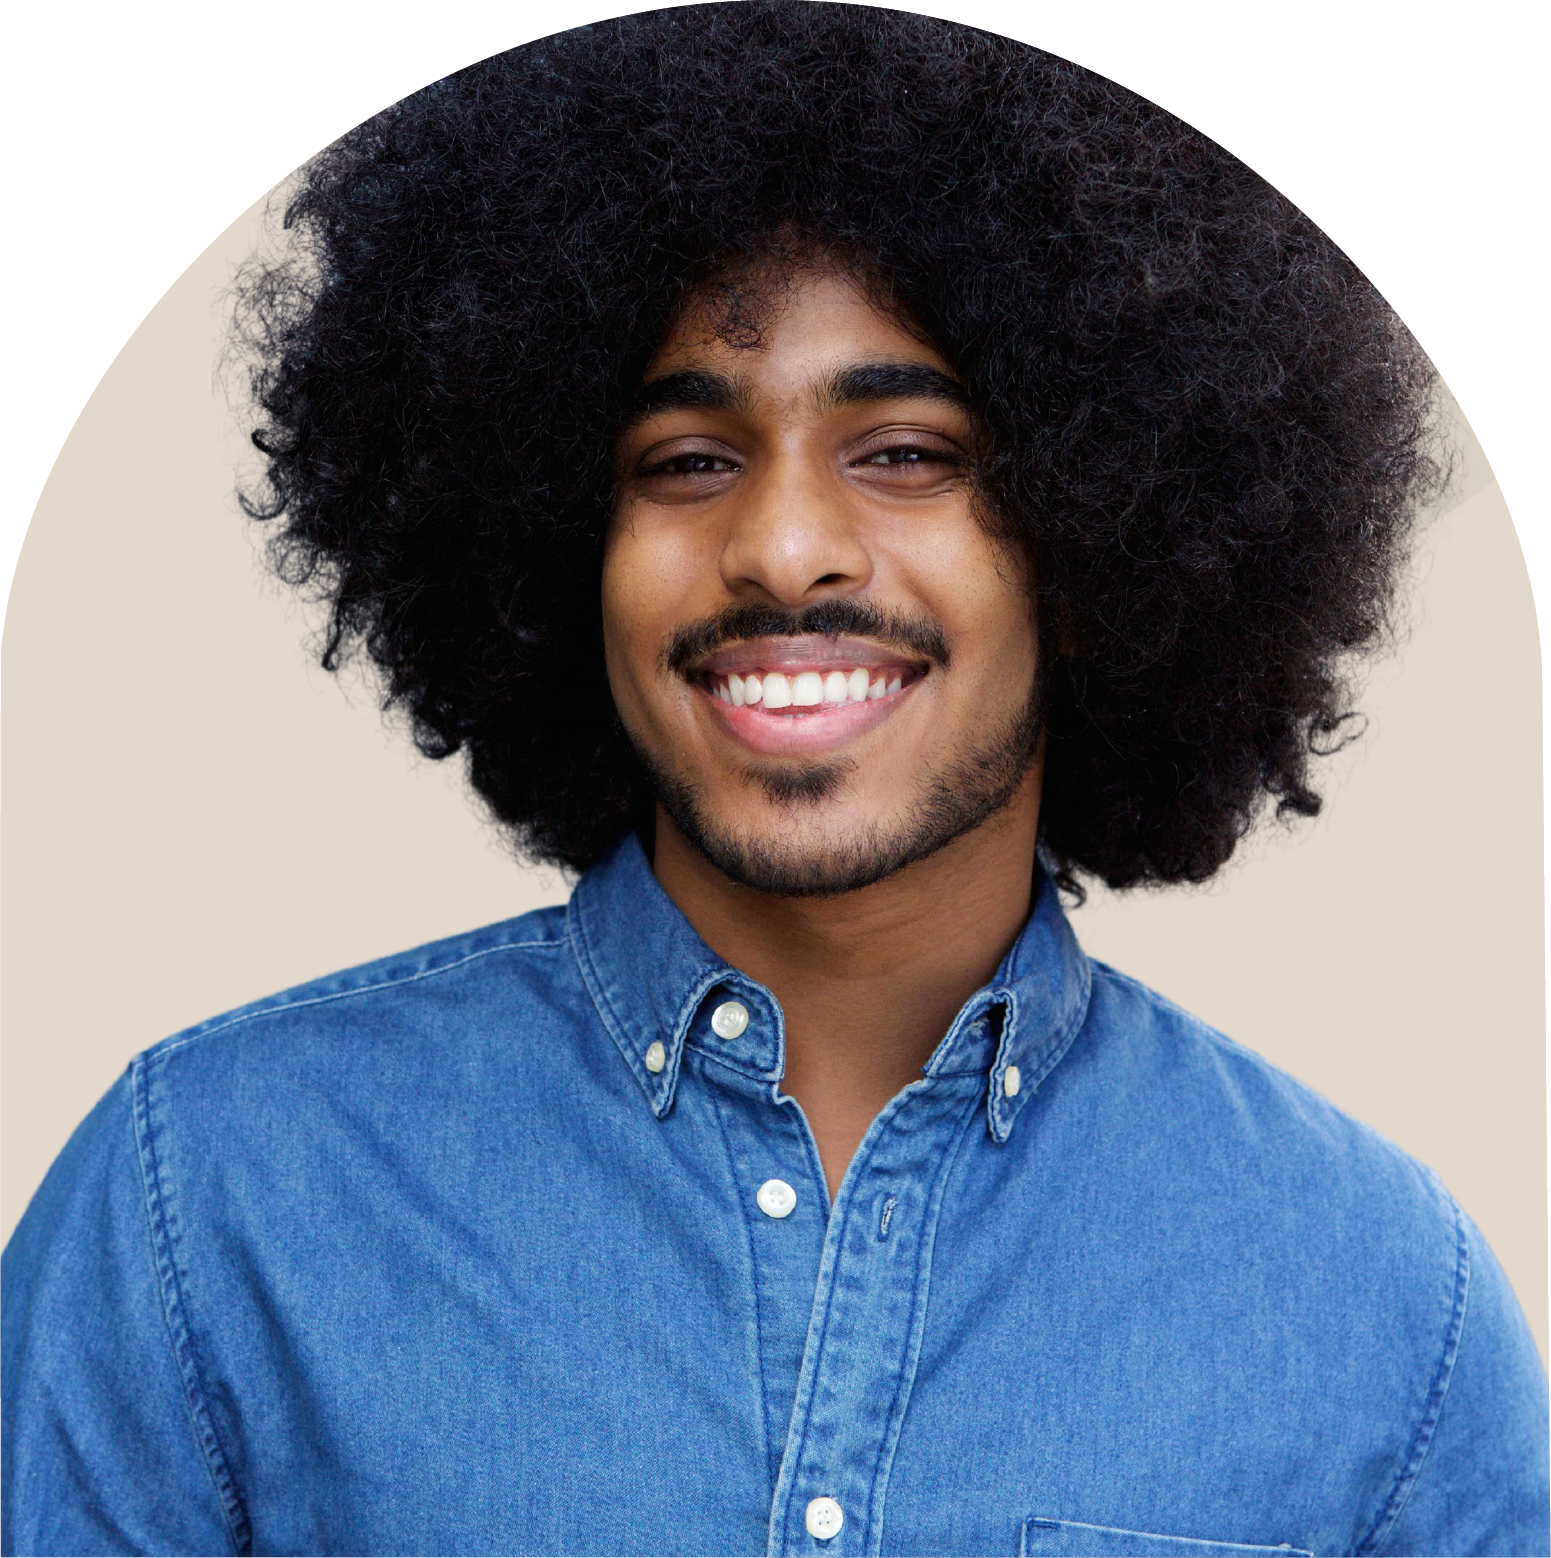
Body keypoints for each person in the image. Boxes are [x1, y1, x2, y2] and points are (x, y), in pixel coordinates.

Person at [3, 5, 1546, 1555]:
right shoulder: (206, 1204)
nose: (782, 545)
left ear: (1099, 540)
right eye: (685, 461)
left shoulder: (1381, 1303)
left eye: (905, 450)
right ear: (558, 547)